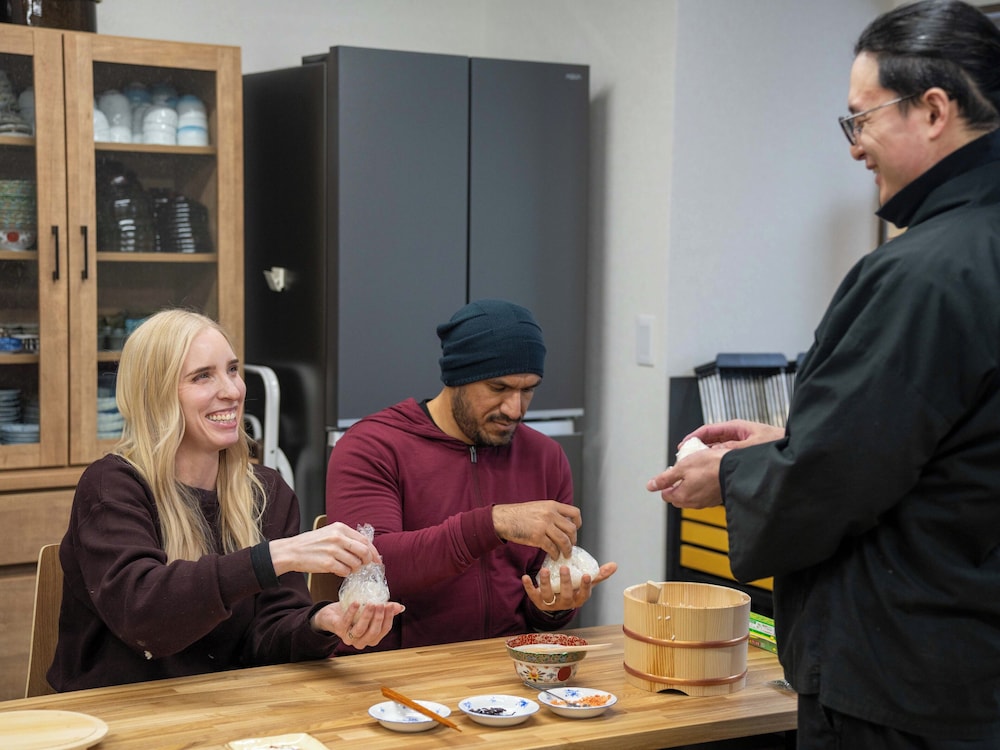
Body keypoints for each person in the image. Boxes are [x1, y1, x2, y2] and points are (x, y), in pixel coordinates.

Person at [646, 1, 1000, 746]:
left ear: (934, 110)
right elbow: (944, 440)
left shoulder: (925, 271)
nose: (854, 148)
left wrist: (730, 477)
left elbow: (835, 474)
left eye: (860, 120)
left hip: (903, 670)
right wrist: (788, 434)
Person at [50, 310, 404, 691]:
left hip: (224, 710)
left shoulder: (266, 493)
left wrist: (320, 623)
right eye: (203, 376)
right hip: (116, 714)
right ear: (156, 394)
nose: (233, 391)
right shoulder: (112, 486)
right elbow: (144, 616)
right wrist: (274, 557)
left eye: (232, 370)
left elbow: (264, 640)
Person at [326, 298, 616, 653]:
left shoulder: (545, 458)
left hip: (504, 672)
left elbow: (534, 605)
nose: (515, 409)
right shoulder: (372, 446)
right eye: (499, 388)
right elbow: (373, 570)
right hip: (397, 675)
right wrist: (492, 523)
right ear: (457, 378)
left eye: (528, 390)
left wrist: (552, 608)